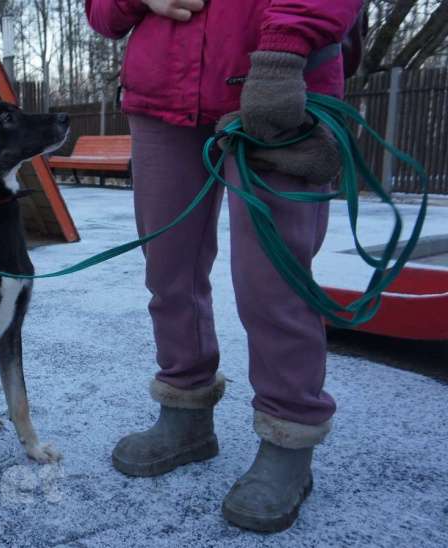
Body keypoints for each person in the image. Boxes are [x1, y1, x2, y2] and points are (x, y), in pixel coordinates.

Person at [85, 0, 363, 533]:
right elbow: (100, 13)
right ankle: (185, 412)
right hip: (159, 94)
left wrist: (283, 55)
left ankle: (288, 436)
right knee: (168, 271)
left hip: (278, 88)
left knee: (274, 281)